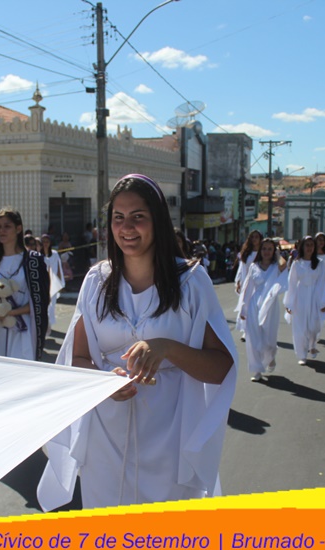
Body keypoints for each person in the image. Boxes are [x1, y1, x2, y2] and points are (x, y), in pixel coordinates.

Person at [38, 174, 236, 511]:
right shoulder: (96, 281)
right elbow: (78, 356)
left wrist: (167, 348)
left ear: (158, 220)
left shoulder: (191, 282)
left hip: (169, 438)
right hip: (105, 439)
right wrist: (104, 382)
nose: (127, 227)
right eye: (118, 217)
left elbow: (221, 368)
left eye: (138, 216)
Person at [0, 207, 49, 360]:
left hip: (22, 328)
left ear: (18, 229)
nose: (2, 231)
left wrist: (11, 313)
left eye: (7, 226)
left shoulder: (33, 261)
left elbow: (40, 301)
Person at [239, 238, 287, 381]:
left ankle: (271, 355)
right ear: (260, 251)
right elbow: (248, 289)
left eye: (270, 249)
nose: (266, 252)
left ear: (274, 251)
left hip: (271, 306)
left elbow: (284, 265)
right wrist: (243, 308)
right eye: (264, 248)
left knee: (269, 340)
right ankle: (257, 370)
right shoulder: (254, 266)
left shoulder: (276, 266)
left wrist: (277, 255)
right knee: (253, 338)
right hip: (255, 305)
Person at [283, 235, 325, 366]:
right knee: (300, 327)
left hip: (315, 296)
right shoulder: (297, 263)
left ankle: (312, 345)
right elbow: (291, 283)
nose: (309, 248)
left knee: (314, 326)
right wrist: (289, 302)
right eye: (307, 245)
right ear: (302, 247)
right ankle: (302, 354)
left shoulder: (319, 264)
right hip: (300, 297)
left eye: (311, 245)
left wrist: (323, 301)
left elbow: (324, 282)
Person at [233, 230, 263, 342]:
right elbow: (242, 268)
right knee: (246, 306)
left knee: (258, 307)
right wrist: (238, 281)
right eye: (252, 237)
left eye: (256, 237)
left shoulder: (263, 252)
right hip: (247, 284)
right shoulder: (246, 253)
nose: (254, 239)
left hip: (259, 284)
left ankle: (258, 330)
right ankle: (246, 331)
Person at [41, 233, 65, 328]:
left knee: (52, 304)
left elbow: (58, 268)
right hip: (43, 282)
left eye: (47, 241)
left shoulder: (54, 254)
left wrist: (60, 281)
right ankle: (44, 322)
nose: (45, 244)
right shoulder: (39, 254)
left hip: (53, 282)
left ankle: (49, 323)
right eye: (43, 242)